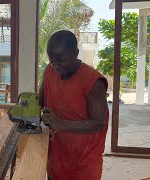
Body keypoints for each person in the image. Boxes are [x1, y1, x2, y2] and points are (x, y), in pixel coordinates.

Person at [40, 30, 109, 180]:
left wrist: (59, 123)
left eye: (62, 60)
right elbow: (40, 101)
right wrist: (24, 108)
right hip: (57, 157)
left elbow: (99, 124)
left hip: (83, 164)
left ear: (76, 53)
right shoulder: (50, 71)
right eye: (52, 60)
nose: (56, 65)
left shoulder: (93, 81)